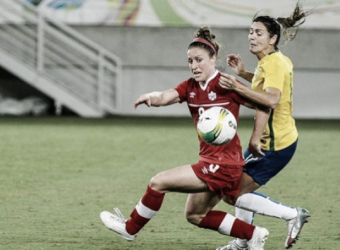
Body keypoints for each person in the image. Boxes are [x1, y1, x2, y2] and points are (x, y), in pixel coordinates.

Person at [99, 27, 270, 250]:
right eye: (190, 61)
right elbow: (165, 96)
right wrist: (151, 97)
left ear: (213, 58)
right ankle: (254, 234)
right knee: (195, 214)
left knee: (158, 182)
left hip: (223, 164)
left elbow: (264, 104)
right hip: (211, 162)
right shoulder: (189, 87)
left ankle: (130, 228)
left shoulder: (226, 84)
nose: (194, 66)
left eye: (199, 60)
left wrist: (255, 138)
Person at [217, 3, 312, 250]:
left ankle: (291, 215)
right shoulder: (273, 60)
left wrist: (237, 86)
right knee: (233, 186)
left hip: (274, 144)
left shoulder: (273, 63)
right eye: (250, 31)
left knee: (232, 192)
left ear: (273, 38)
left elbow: (269, 100)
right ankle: (243, 242)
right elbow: (265, 87)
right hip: (281, 139)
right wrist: (244, 73)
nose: (252, 36)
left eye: (258, 33)